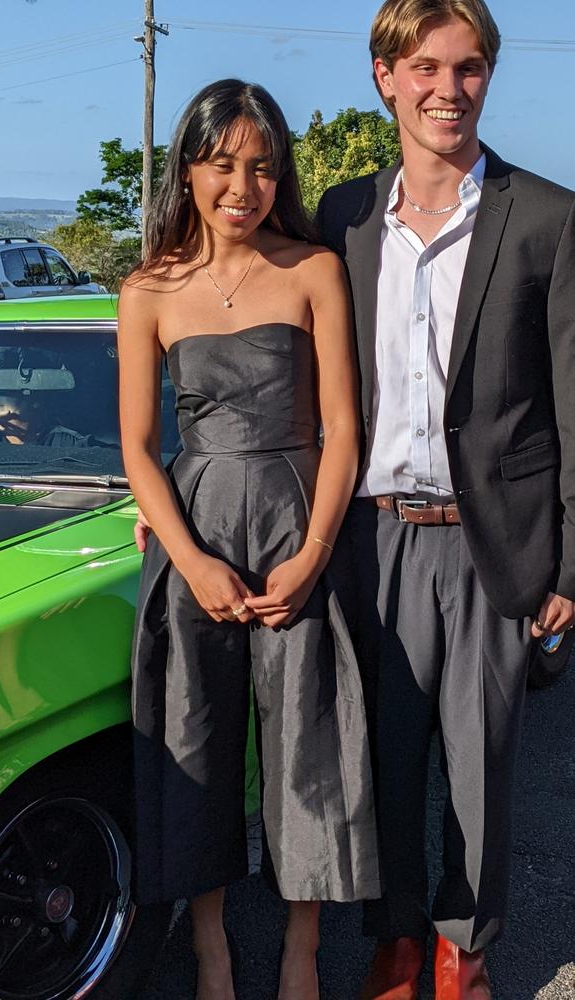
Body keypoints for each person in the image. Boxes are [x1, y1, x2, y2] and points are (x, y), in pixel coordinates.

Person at [315, 1, 575, 997]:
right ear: (384, 76)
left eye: (467, 69)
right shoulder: (339, 217)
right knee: (380, 759)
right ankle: (392, 936)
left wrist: (565, 567)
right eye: (423, 67)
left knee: (479, 767)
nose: (446, 90)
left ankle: (462, 948)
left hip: (488, 546)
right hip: (368, 541)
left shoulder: (545, 218)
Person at [117, 79, 380, 1000]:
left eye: (262, 166)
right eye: (222, 163)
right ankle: (212, 949)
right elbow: (138, 449)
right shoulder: (148, 288)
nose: (243, 184)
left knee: (307, 741)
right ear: (188, 169)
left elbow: (345, 428)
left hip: (297, 523)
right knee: (195, 740)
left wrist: (312, 555)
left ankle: (302, 953)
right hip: (194, 537)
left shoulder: (313, 269)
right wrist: (189, 561)